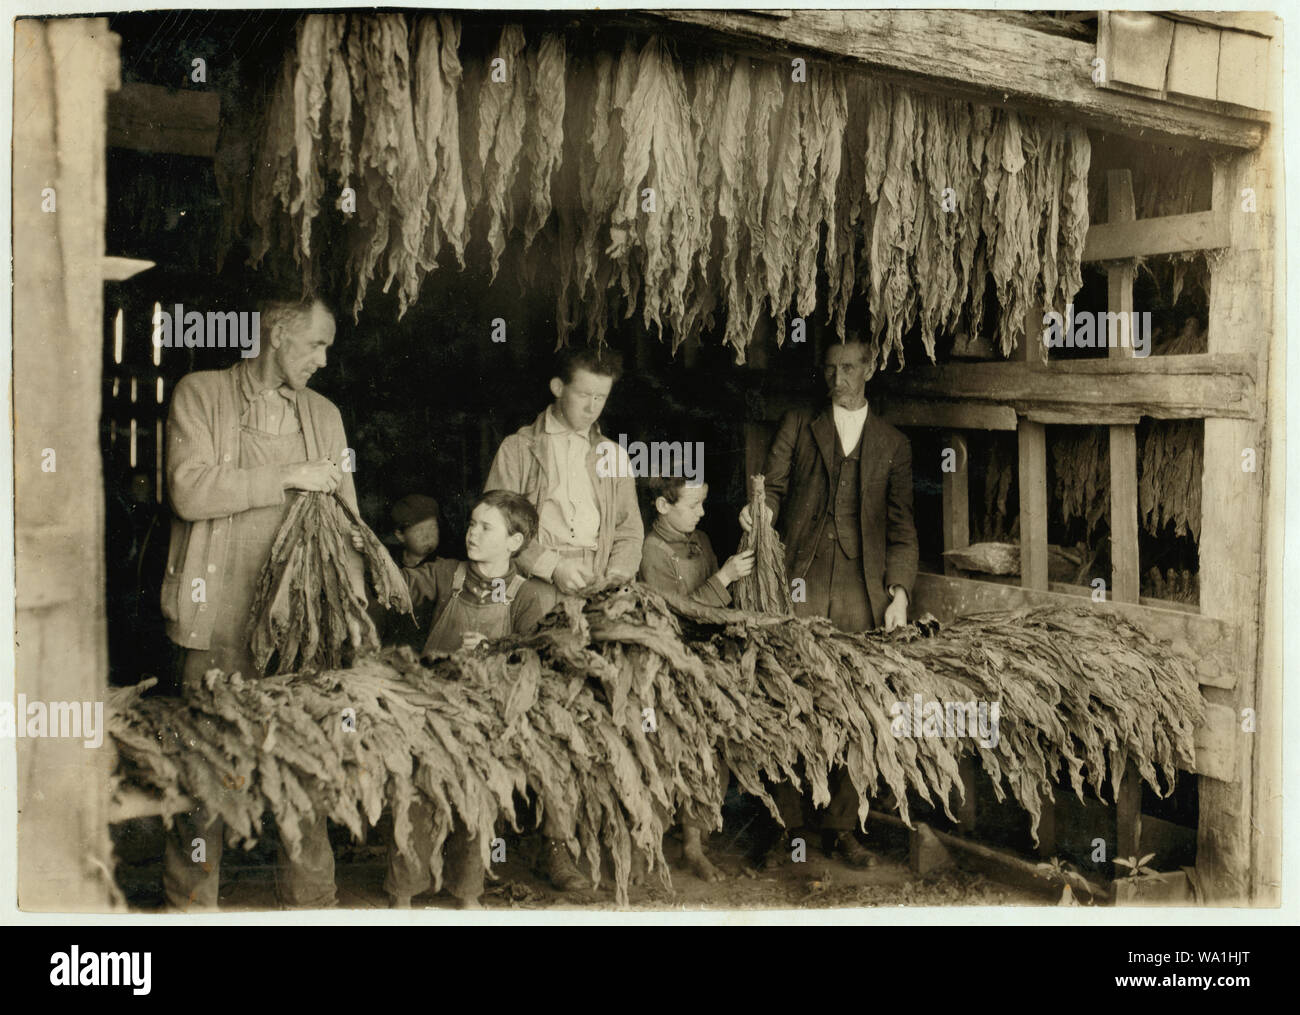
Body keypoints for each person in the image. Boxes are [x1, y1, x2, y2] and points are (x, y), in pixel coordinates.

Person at [160, 295, 352, 911]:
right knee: (206, 768)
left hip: (299, 627)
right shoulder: (201, 393)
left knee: (304, 763)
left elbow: (348, 517)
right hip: (216, 617)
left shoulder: (325, 415)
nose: (324, 359)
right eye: (316, 344)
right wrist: (290, 475)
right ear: (276, 334)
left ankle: (311, 905)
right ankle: (192, 908)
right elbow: (188, 490)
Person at [739, 335, 918, 870]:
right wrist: (760, 512)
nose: (837, 379)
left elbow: (902, 528)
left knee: (856, 705)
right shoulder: (798, 424)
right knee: (788, 697)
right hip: (801, 585)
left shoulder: (893, 443)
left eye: (848, 368)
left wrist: (900, 593)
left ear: (871, 368)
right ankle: (785, 826)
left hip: (862, 593)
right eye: (830, 369)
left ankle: (842, 827)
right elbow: (771, 488)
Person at [484, 345, 644, 890]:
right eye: (584, 395)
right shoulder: (518, 448)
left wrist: (616, 580)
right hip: (535, 593)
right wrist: (550, 568)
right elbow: (495, 523)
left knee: (586, 713)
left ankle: (563, 840)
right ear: (557, 388)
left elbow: (628, 532)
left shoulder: (613, 456)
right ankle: (506, 837)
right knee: (537, 709)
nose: (593, 408)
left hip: (596, 593)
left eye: (602, 398)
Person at [380, 490, 557, 908]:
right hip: (431, 708)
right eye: (472, 523)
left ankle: (468, 894)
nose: (472, 533)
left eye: (485, 527)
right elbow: (393, 588)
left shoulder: (529, 595)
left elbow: (534, 667)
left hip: (487, 718)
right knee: (417, 796)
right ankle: (403, 894)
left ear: (514, 542)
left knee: (478, 801)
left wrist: (495, 654)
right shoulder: (446, 575)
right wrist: (370, 556)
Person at [638, 476, 753, 881]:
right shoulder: (649, 550)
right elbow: (676, 612)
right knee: (665, 746)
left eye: (703, 503)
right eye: (693, 505)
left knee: (712, 746)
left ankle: (693, 843)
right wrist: (723, 579)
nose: (702, 513)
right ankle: (648, 842)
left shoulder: (700, 540)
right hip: (664, 661)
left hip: (705, 659)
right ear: (662, 506)